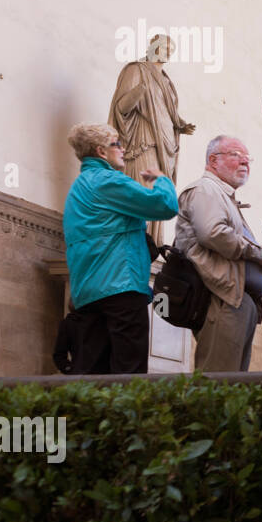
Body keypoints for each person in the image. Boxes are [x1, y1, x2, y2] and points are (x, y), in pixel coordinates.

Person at [62, 123, 178, 374]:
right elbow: (164, 205)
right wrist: (161, 179)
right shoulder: (107, 180)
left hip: (88, 293)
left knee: (94, 375)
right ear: (101, 151)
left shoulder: (79, 187)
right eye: (117, 144)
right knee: (130, 374)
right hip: (121, 288)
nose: (123, 149)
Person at [175, 135, 262, 372]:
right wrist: (257, 253)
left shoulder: (222, 194)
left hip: (235, 298)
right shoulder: (206, 189)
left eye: (247, 159)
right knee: (218, 381)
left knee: (233, 385)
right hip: (220, 298)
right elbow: (212, 233)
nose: (245, 163)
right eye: (236, 156)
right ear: (213, 160)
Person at [107, 34, 196, 246]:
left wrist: (179, 124)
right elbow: (121, 108)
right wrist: (139, 91)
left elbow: (166, 113)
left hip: (163, 149)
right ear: (153, 47)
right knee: (144, 191)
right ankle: (134, 242)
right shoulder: (136, 70)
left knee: (157, 194)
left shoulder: (166, 81)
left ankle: (151, 245)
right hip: (143, 143)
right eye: (164, 48)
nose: (168, 53)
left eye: (170, 50)